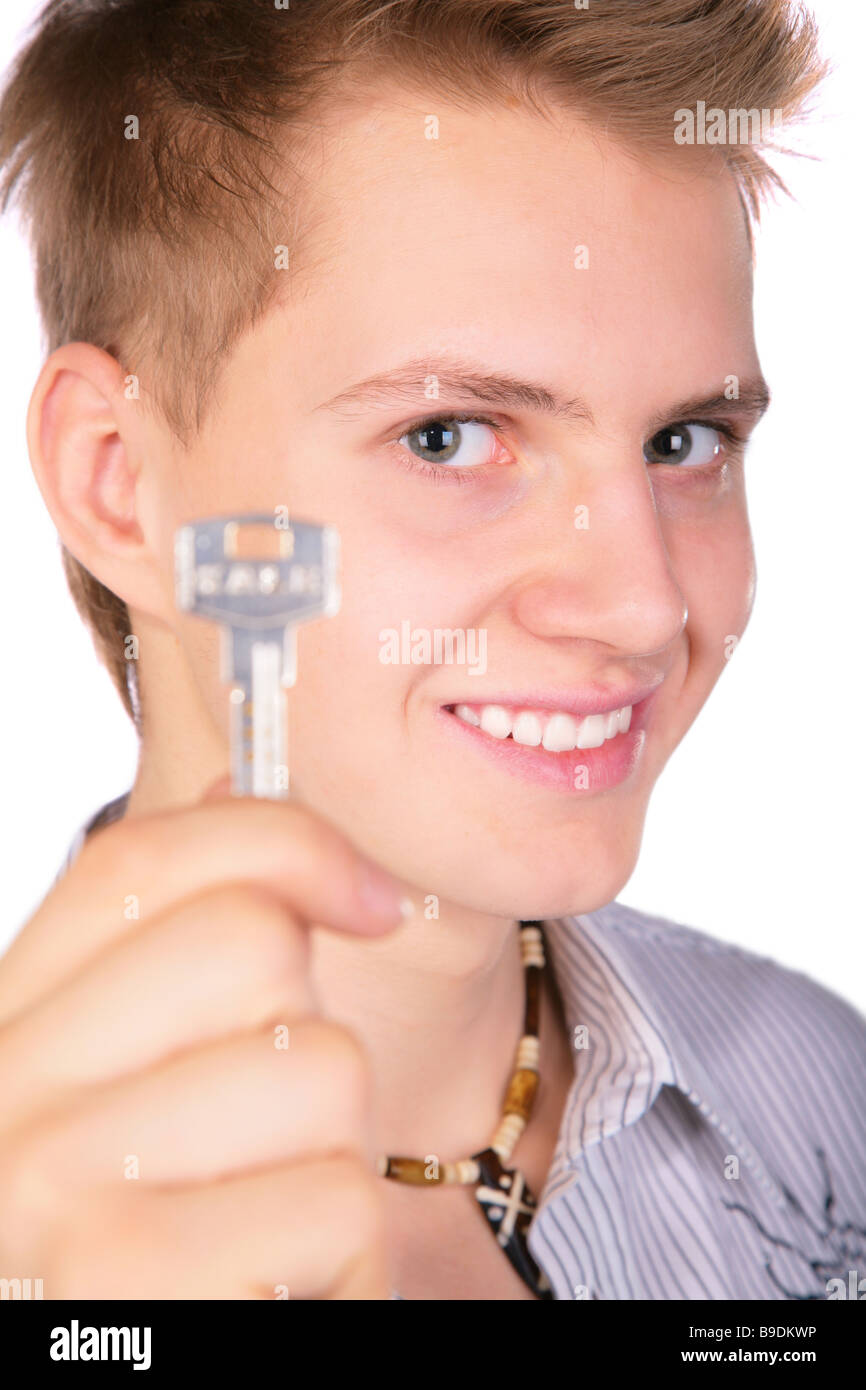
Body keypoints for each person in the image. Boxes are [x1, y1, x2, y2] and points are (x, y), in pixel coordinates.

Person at [0, 0, 862, 1301]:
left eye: (684, 442)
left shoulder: (819, 1102)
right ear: (118, 481)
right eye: (450, 437)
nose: (640, 605)